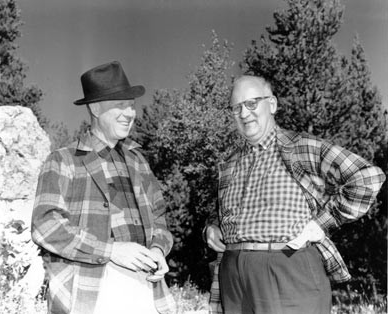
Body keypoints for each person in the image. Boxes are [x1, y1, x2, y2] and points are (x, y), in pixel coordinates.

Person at [205, 75, 386, 314]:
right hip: (233, 277)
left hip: (287, 267)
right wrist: (213, 227)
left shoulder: (300, 146)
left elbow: (368, 176)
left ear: (272, 104)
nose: (244, 113)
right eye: (236, 107)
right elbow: (225, 213)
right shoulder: (229, 164)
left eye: (251, 103)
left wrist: (321, 223)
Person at [31, 61, 176, 314]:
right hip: (91, 291)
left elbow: (160, 218)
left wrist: (158, 250)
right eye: (120, 105)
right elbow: (45, 226)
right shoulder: (62, 160)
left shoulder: (138, 161)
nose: (130, 113)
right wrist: (110, 250)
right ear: (96, 108)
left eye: (131, 105)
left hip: (146, 287)